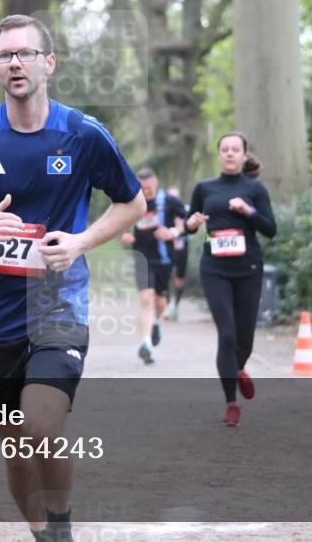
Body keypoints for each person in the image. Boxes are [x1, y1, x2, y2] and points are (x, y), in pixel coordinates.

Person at [0, 15, 144, 542]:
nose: (15, 62)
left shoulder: (84, 134)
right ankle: (40, 531)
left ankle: (61, 525)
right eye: (5, 55)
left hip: (57, 309)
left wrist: (80, 242)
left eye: (25, 53)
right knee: (16, 447)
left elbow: (133, 203)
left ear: (49, 62)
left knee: (43, 425)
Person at [183, 132, 276, 427]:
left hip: (248, 268)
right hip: (215, 269)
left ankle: (238, 368)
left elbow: (270, 229)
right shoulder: (205, 187)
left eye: (236, 149)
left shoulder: (255, 188)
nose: (230, 154)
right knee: (226, 335)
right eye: (225, 149)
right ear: (219, 154)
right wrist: (192, 223)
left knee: (244, 339)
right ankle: (231, 403)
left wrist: (248, 210)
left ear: (245, 154)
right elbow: (189, 223)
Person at [120, 169, 186, 364]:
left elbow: (184, 223)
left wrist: (173, 232)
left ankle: (157, 322)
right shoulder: (132, 200)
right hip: (142, 257)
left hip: (164, 259)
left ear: (155, 183)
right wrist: (124, 234)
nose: (146, 191)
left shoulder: (169, 202)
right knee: (146, 297)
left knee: (160, 301)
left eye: (149, 187)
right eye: (142, 187)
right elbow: (121, 220)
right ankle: (146, 343)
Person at [165, 186, 190, 322]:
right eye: (171, 196)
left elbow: (191, 227)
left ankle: (176, 305)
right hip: (168, 249)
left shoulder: (184, 210)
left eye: (176, 196)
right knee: (166, 276)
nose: (173, 199)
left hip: (182, 248)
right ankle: (168, 306)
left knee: (180, 278)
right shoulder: (164, 211)